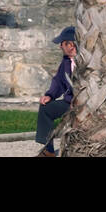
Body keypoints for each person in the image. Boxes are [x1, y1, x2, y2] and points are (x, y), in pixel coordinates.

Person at [35, 25, 78, 157]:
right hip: (70, 102)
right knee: (46, 108)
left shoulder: (87, 61)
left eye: (62, 44)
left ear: (70, 44)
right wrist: (49, 95)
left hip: (89, 104)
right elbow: (58, 81)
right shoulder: (65, 61)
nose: (60, 47)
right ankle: (48, 150)